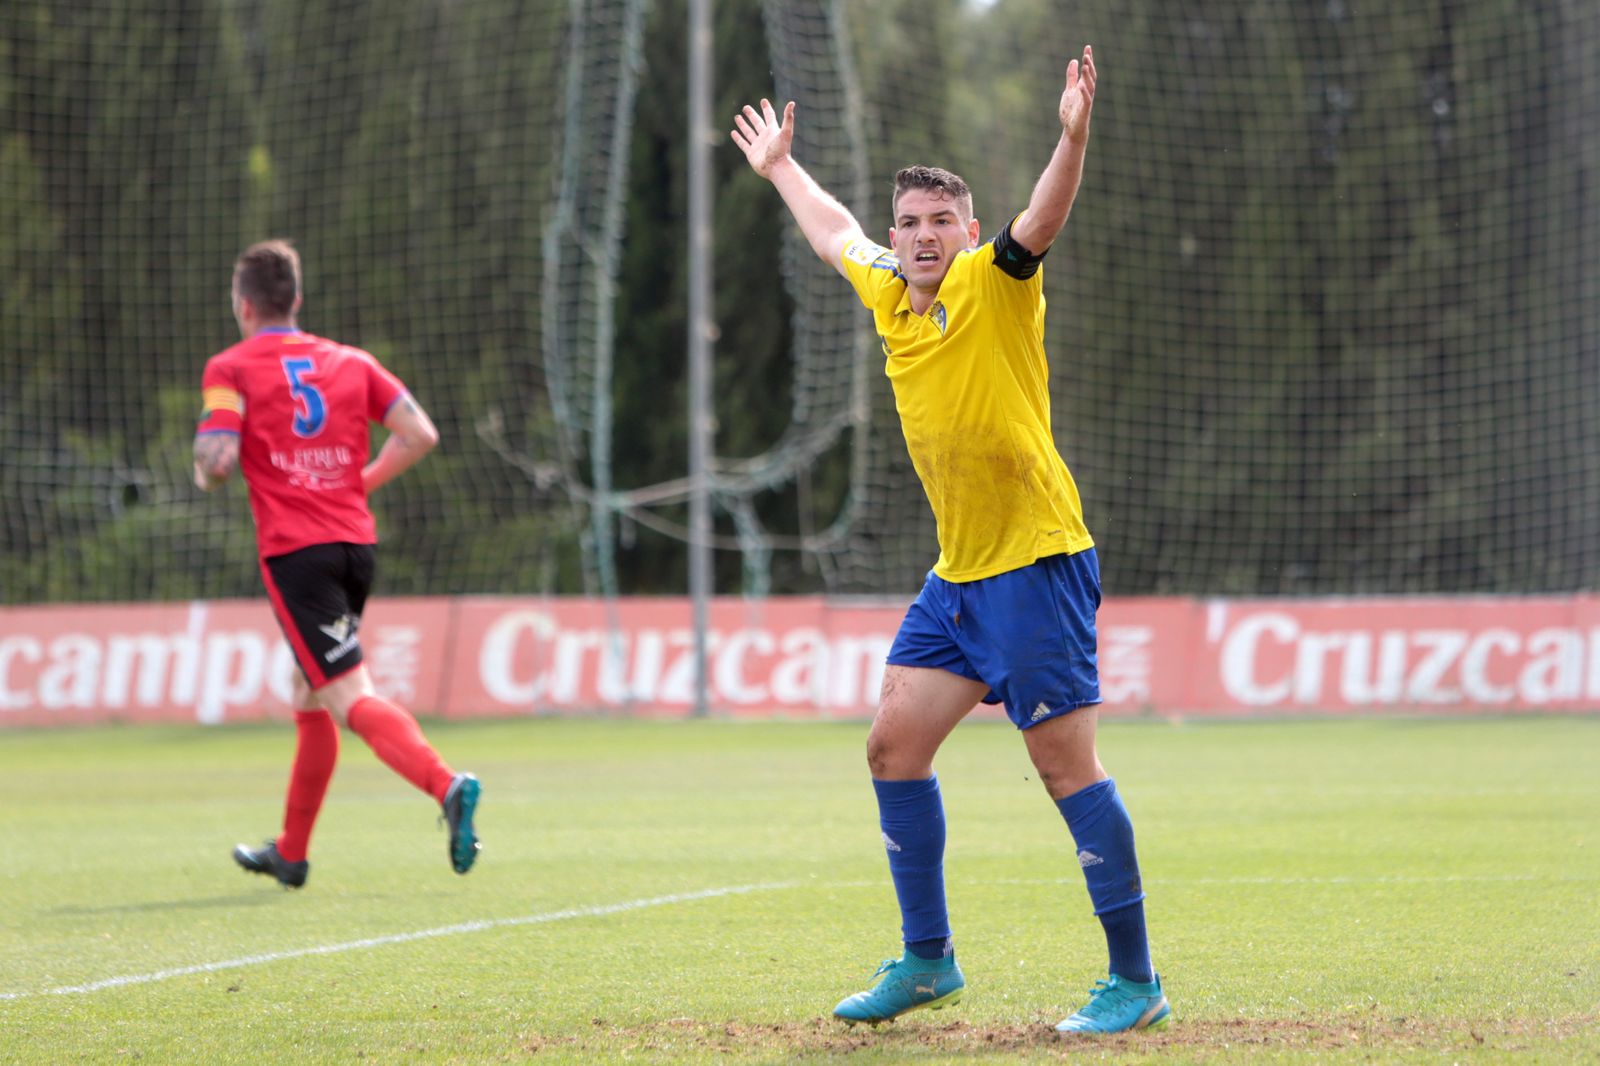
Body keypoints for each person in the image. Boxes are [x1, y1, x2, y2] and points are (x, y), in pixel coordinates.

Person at [732, 47, 1167, 1035]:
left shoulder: (995, 279)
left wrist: (1071, 135)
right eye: (912, 225)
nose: (924, 239)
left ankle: (1135, 981)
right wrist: (782, 170)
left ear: (966, 232)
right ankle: (928, 960)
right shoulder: (888, 290)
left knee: (1065, 767)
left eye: (942, 224)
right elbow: (835, 232)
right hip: (961, 577)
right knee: (893, 745)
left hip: (1036, 561)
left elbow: (1042, 219)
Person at [194, 239, 481, 890]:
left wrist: (208, 465)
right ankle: (291, 853)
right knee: (309, 689)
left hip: (297, 554)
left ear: (244, 306)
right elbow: (420, 435)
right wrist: (358, 484)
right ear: (295, 300)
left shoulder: (230, 367)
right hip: (355, 546)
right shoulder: (351, 362)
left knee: (350, 696)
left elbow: (215, 464)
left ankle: (447, 785)